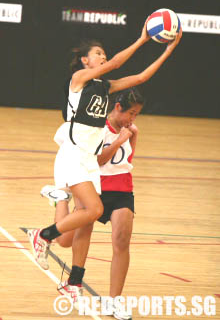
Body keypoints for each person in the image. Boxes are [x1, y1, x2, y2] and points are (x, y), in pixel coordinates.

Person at [28, 20, 182, 301]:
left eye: (103, 53)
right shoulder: (77, 81)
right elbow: (114, 64)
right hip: (73, 153)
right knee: (95, 209)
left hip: (88, 159)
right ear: (85, 60)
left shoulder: (106, 87)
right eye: (98, 53)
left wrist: (169, 49)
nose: (103, 56)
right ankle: (43, 235)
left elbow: (142, 77)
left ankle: (73, 282)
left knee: (85, 223)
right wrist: (142, 39)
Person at [41, 88, 143, 320]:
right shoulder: (98, 129)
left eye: (137, 115)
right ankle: (61, 198)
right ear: (118, 108)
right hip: (94, 189)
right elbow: (98, 162)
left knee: (121, 240)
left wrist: (130, 137)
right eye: (132, 113)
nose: (133, 119)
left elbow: (126, 161)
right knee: (64, 241)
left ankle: (114, 302)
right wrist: (118, 141)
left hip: (122, 191)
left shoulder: (130, 130)